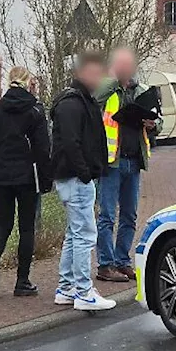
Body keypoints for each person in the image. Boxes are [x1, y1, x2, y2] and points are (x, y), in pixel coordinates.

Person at [50, 52, 118, 311]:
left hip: (75, 177)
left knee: (74, 233)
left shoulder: (78, 101)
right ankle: (83, 291)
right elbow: (71, 142)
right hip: (77, 179)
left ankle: (66, 288)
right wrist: (84, 172)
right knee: (85, 235)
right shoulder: (73, 104)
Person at [0, 67, 51, 298]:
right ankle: (22, 281)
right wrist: (46, 179)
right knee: (26, 228)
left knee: (3, 225)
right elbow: (42, 149)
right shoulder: (35, 112)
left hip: (1, 177)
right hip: (27, 178)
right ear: (29, 83)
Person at [93, 48, 159, 283]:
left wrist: (152, 125)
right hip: (112, 161)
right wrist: (114, 81)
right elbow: (94, 102)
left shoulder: (141, 92)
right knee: (107, 215)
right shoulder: (108, 89)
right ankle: (105, 264)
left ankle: (123, 262)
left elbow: (156, 124)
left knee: (129, 216)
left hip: (134, 161)